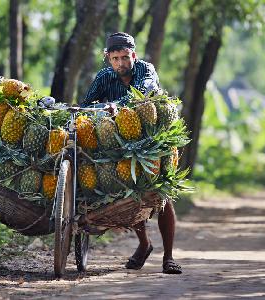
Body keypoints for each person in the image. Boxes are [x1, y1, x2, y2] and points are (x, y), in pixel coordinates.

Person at [81, 32, 182, 274]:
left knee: (160, 192)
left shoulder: (146, 70)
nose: (120, 63)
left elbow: (145, 92)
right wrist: (93, 109)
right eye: (115, 58)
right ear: (108, 58)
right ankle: (144, 244)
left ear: (133, 55)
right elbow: (85, 105)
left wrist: (118, 105)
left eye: (125, 57)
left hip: (152, 140)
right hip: (120, 144)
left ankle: (168, 257)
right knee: (130, 192)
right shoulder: (104, 77)